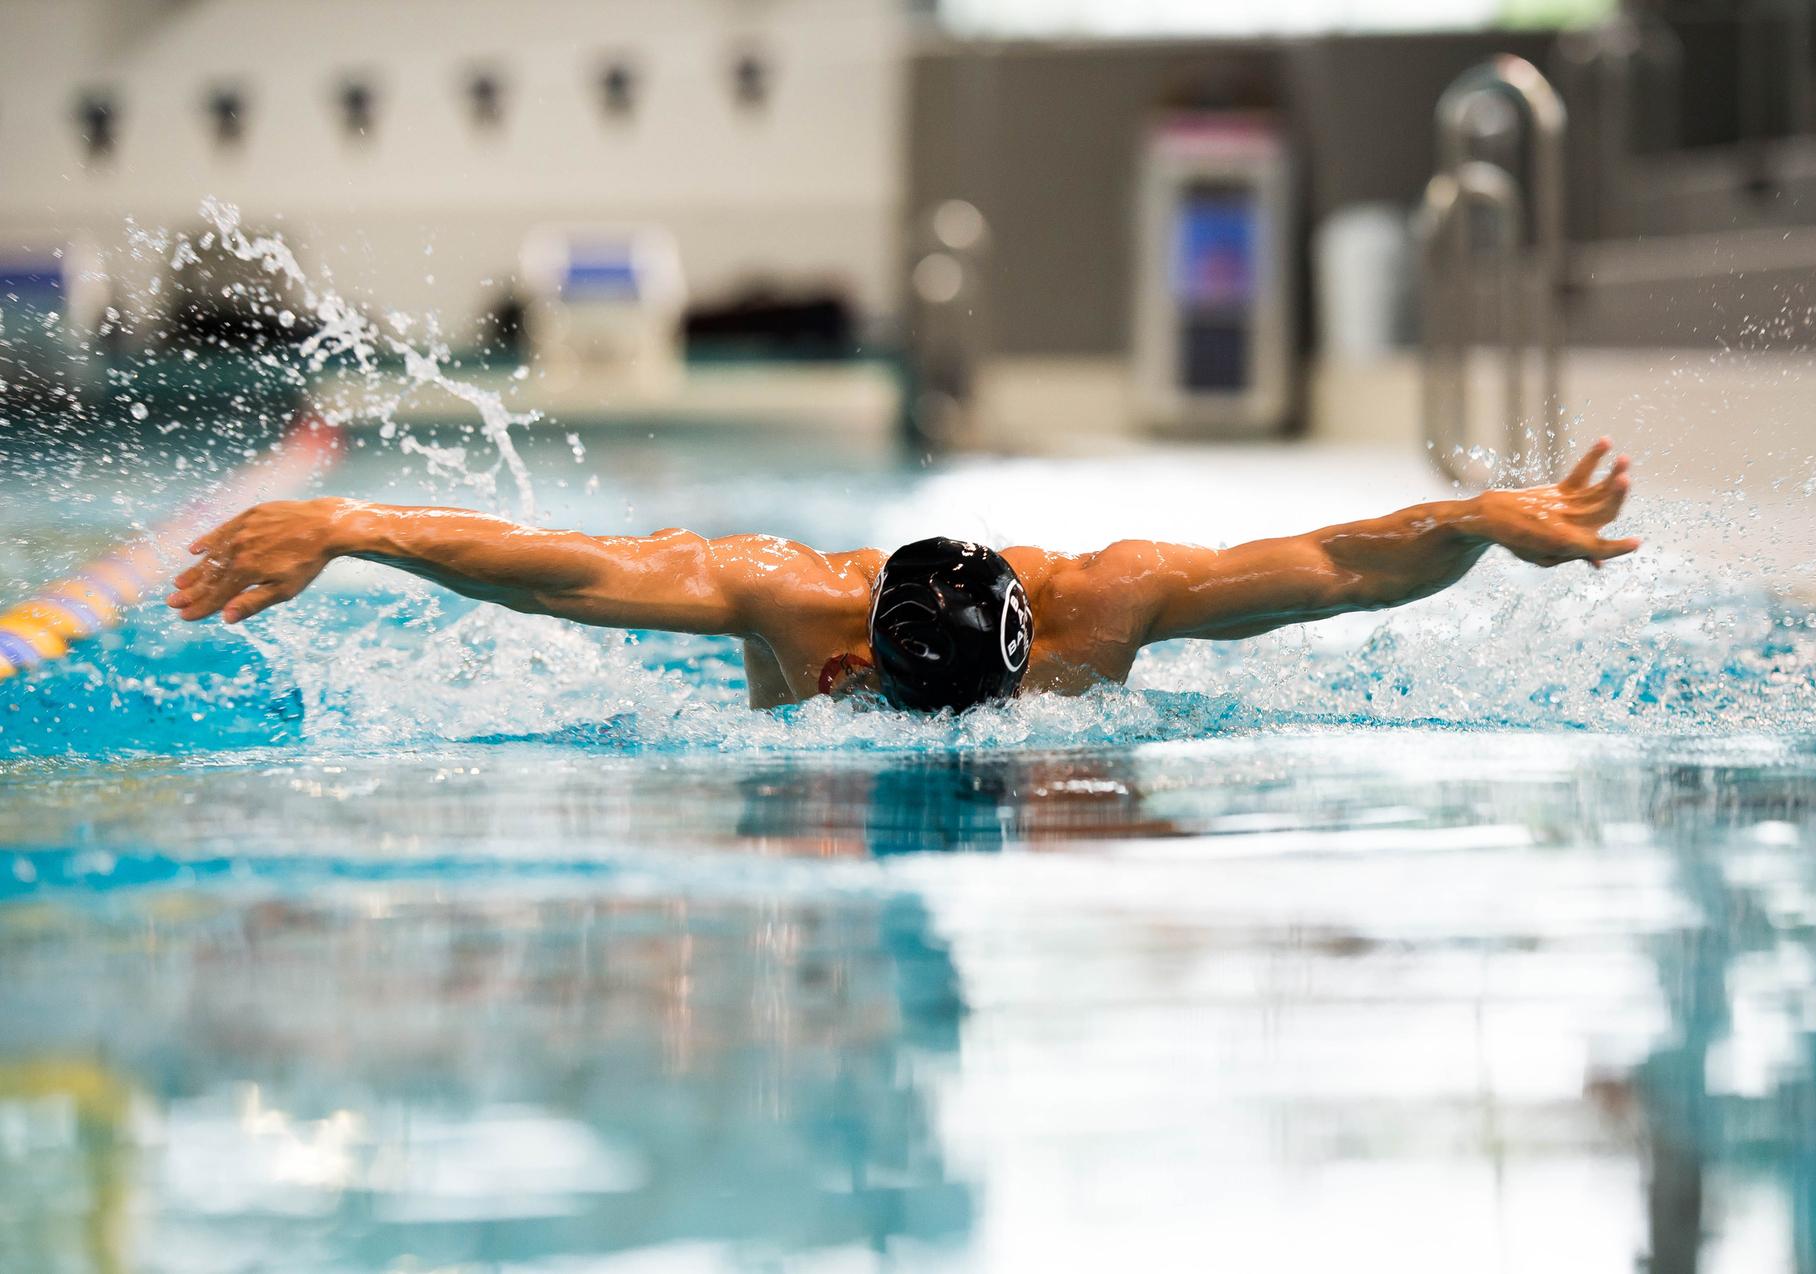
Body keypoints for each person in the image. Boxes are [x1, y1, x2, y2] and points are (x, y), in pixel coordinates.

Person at [168, 439, 1639, 711]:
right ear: (849, 653)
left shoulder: (1105, 602)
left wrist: (1472, 516)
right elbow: (563, 569)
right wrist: (355, 523)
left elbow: (1330, 564)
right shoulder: (774, 588)